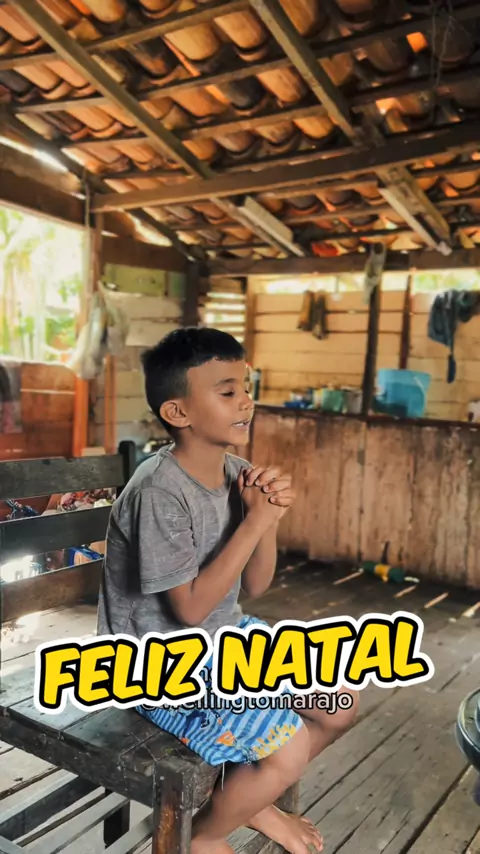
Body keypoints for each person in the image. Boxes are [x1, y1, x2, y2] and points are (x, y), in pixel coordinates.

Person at [97, 327, 358, 854]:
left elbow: (254, 585)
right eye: (227, 391)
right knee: (287, 749)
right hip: (154, 667)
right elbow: (190, 611)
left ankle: (247, 798)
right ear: (178, 412)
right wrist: (255, 522)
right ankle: (206, 835)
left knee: (339, 705)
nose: (246, 401)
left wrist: (269, 518)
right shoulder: (159, 491)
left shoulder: (237, 474)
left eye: (246, 387)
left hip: (222, 643)